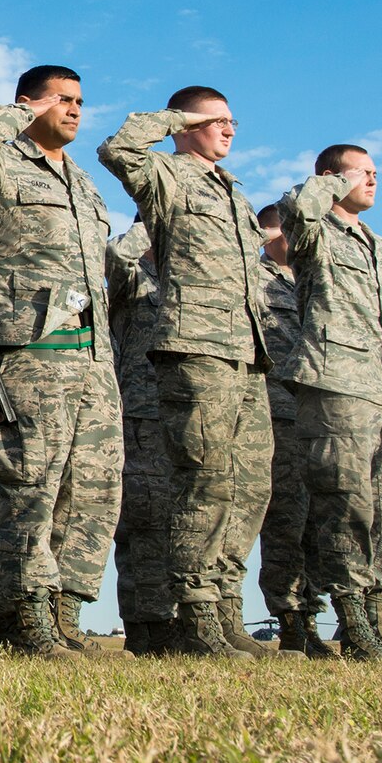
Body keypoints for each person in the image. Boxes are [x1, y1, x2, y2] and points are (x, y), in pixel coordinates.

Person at [0, 66, 122, 657]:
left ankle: (62, 611)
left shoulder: (84, 183)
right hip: (31, 349)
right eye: (61, 100)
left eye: (79, 102)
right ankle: (24, 614)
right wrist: (19, 114)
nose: (73, 110)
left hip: (91, 350)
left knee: (90, 487)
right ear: (29, 102)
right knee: (28, 483)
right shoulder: (0, 164)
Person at [97, 87, 273, 658]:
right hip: (195, 342)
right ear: (188, 124)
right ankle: (194, 611)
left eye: (232, 120)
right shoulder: (169, 175)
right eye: (216, 120)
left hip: (246, 350)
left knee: (248, 487)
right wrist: (177, 119)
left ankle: (225, 607)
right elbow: (118, 149)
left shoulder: (236, 195)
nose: (228, 130)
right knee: (204, 476)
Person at [275, 146, 382, 663]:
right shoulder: (314, 230)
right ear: (332, 176)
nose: (373, 179)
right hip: (335, 379)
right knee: (345, 499)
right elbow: (296, 207)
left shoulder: (379, 247)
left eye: (377, 172)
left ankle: (378, 613)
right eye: (363, 171)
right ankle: (351, 616)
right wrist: (333, 181)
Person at [252, 203, 330, 658]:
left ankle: (312, 613)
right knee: (283, 521)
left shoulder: (314, 285)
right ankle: (289, 619)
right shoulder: (253, 275)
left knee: (317, 525)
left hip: (317, 416)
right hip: (274, 412)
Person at [106, 219, 176, 656]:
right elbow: (112, 259)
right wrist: (154, 223)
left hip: (182, 411)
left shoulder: (181, 282)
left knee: (179, 520)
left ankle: (178, 615)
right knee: (145, 521)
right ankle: (146, 625)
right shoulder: (132, 275)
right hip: (142, 411)